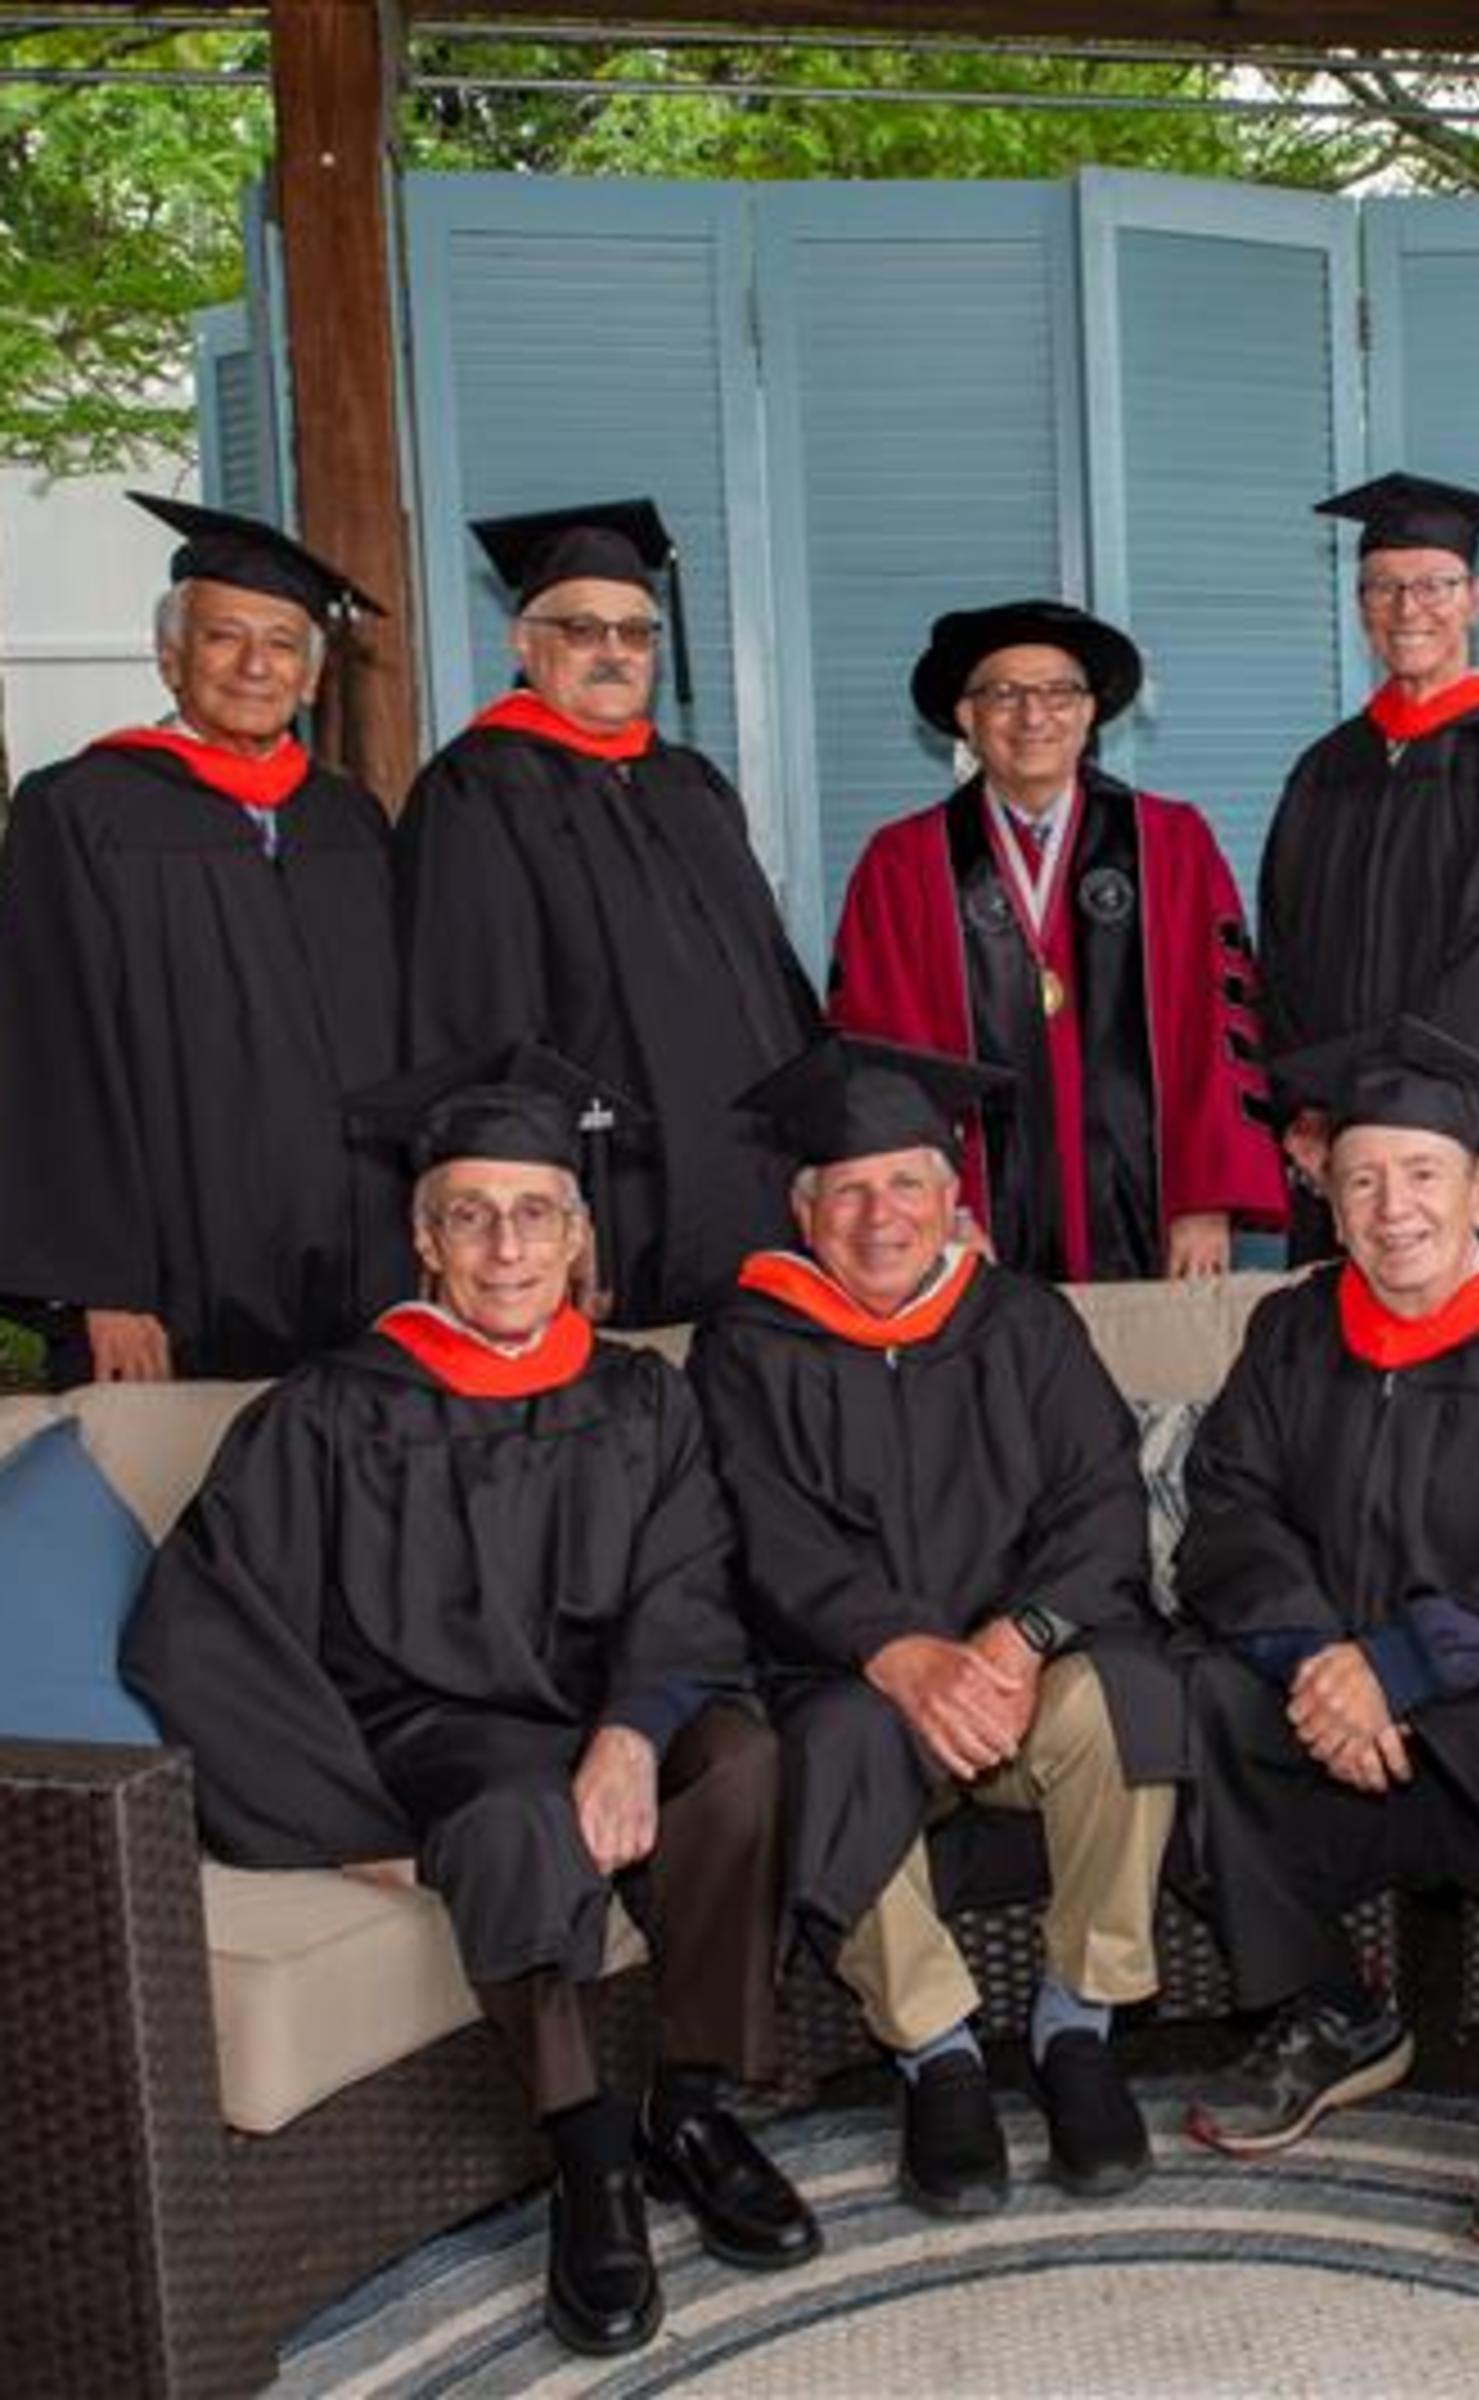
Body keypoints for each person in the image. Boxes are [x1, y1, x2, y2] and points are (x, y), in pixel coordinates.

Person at [121, 1058, 817, 2359]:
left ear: (578, 1237)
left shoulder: (639, 1396)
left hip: (604, 1708)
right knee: (511, 1820)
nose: (506, 1247)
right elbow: (201, 1629)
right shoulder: (333, 1412)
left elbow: (687, 1580)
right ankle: (590, 2163)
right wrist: (354, 1822)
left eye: (535, 1213)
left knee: (737, 1762)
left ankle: (690, 2106)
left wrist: (632, 1730)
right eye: (471, 1215)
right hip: (439, 1732)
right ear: (424, 1239)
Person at [1177, 1018, 1479, 2254]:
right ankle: (1332, 2007)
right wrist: (1315, 1660)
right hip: (1340, 1725)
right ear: (1330, 1202)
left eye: (1423, 1174)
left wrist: (1399, 1664)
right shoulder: (1294, 1332)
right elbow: (1227, 1512)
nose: (1394, 1209)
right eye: (1362, 1180)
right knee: (1203, 1694)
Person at [688, 1032, 1184, 2218]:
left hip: (1020, 1677)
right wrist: (902, 1653)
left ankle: (1078, 2023)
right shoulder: (747, 1345)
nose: (880, 1219)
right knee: (827, 1745)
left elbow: (1102, 1500)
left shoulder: (1022, 1322)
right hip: (856, 1680)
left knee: (1126, 1700)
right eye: (848, 1192)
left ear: (952, 1199)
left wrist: (1019, 1638)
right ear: (803, 1211)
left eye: (906, 1184)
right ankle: (936, 2052)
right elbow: (763, 1533)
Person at [0, 494, 405, 1385]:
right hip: (178, 1273)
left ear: (311, 678)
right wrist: (103, 1284)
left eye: (283, 644)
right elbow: (53, 1053)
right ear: (170, 657)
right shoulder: (79, 810)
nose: (256, 666)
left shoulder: (349, 819)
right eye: (225, 637)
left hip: (361, 1268)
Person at [395, 499, 822, 1326]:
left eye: (636, 633)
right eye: (583, 630)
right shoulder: (476, 787)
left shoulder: (691, 785)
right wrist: (533, 1213)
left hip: (751, 1187)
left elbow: (774, 985)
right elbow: (476, 1015)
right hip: (610, 1192)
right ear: (523, 644)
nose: (614, 652)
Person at [829, 599, 1284, 1281]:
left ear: (1090, 712)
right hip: (968, 1224)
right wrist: (933, 1211)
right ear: (967, 717)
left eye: (1058, 693)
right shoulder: (902, 862)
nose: (1033, 716)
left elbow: (1217, 1030)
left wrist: (1205, 1199)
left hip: (1157, 1214)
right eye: (1003, 695)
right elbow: (884, 1055)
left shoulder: (1171, 843)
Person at [1258, 475, 1479, 1268]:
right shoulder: (1324, 769)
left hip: (1471, 1137)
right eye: (1383, 587)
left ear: (1475, 598)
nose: (1409, 607)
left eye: (1435, 585)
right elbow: (1284, 954)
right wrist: (1312, 1108)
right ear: (1359, 606)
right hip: (1340, 1147)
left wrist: (1394, 1116)